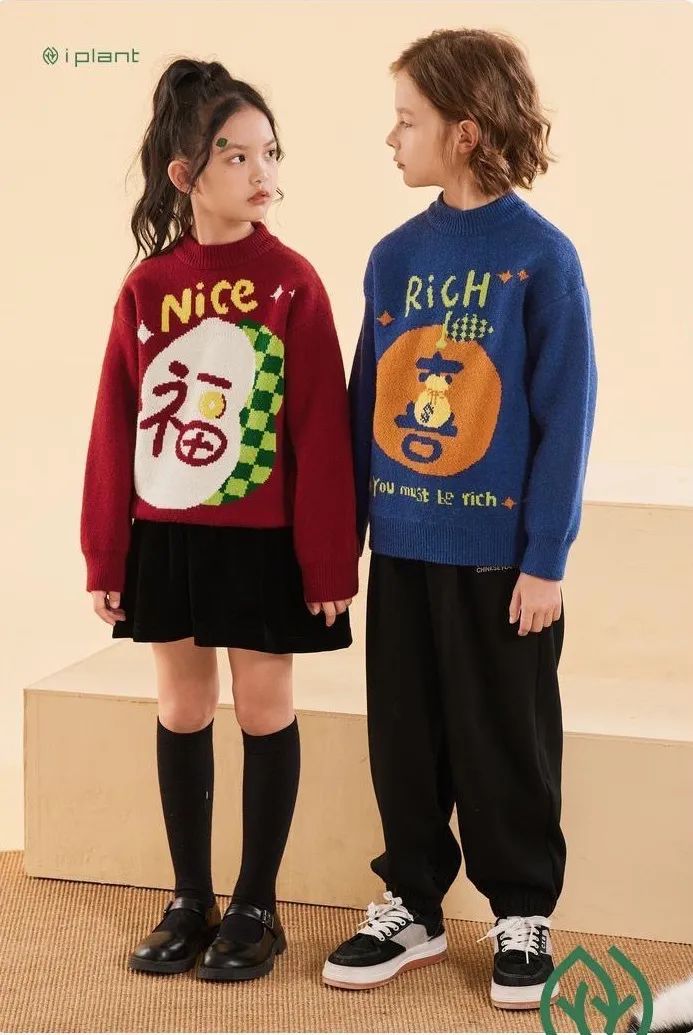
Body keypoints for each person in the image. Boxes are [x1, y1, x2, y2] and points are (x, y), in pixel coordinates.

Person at [322, 28, 597, 1011]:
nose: (391, 138)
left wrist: (545, 558)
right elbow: (365, 402)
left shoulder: (540, 258)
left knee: (504, 737)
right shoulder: (394, 258)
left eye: (407, 121)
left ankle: (521, 909)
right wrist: (341, 545)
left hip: (501, 563)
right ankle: (414, 902)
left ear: (465, 132)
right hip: (402, 545)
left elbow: (565, 416)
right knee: (405, 737)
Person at [80, 57, 359, 983]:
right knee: (182, 706)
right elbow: (115, 421)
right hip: (168, 532)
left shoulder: (291, 282)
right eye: (235, 155)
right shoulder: (148, 287)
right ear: (185, 174)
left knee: (265, 707)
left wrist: (328, 559)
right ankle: (189, 897)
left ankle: (255, 905)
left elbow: (320, 428)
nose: (260, 171)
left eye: (268, 152)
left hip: (263, 539)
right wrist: (105, 550)